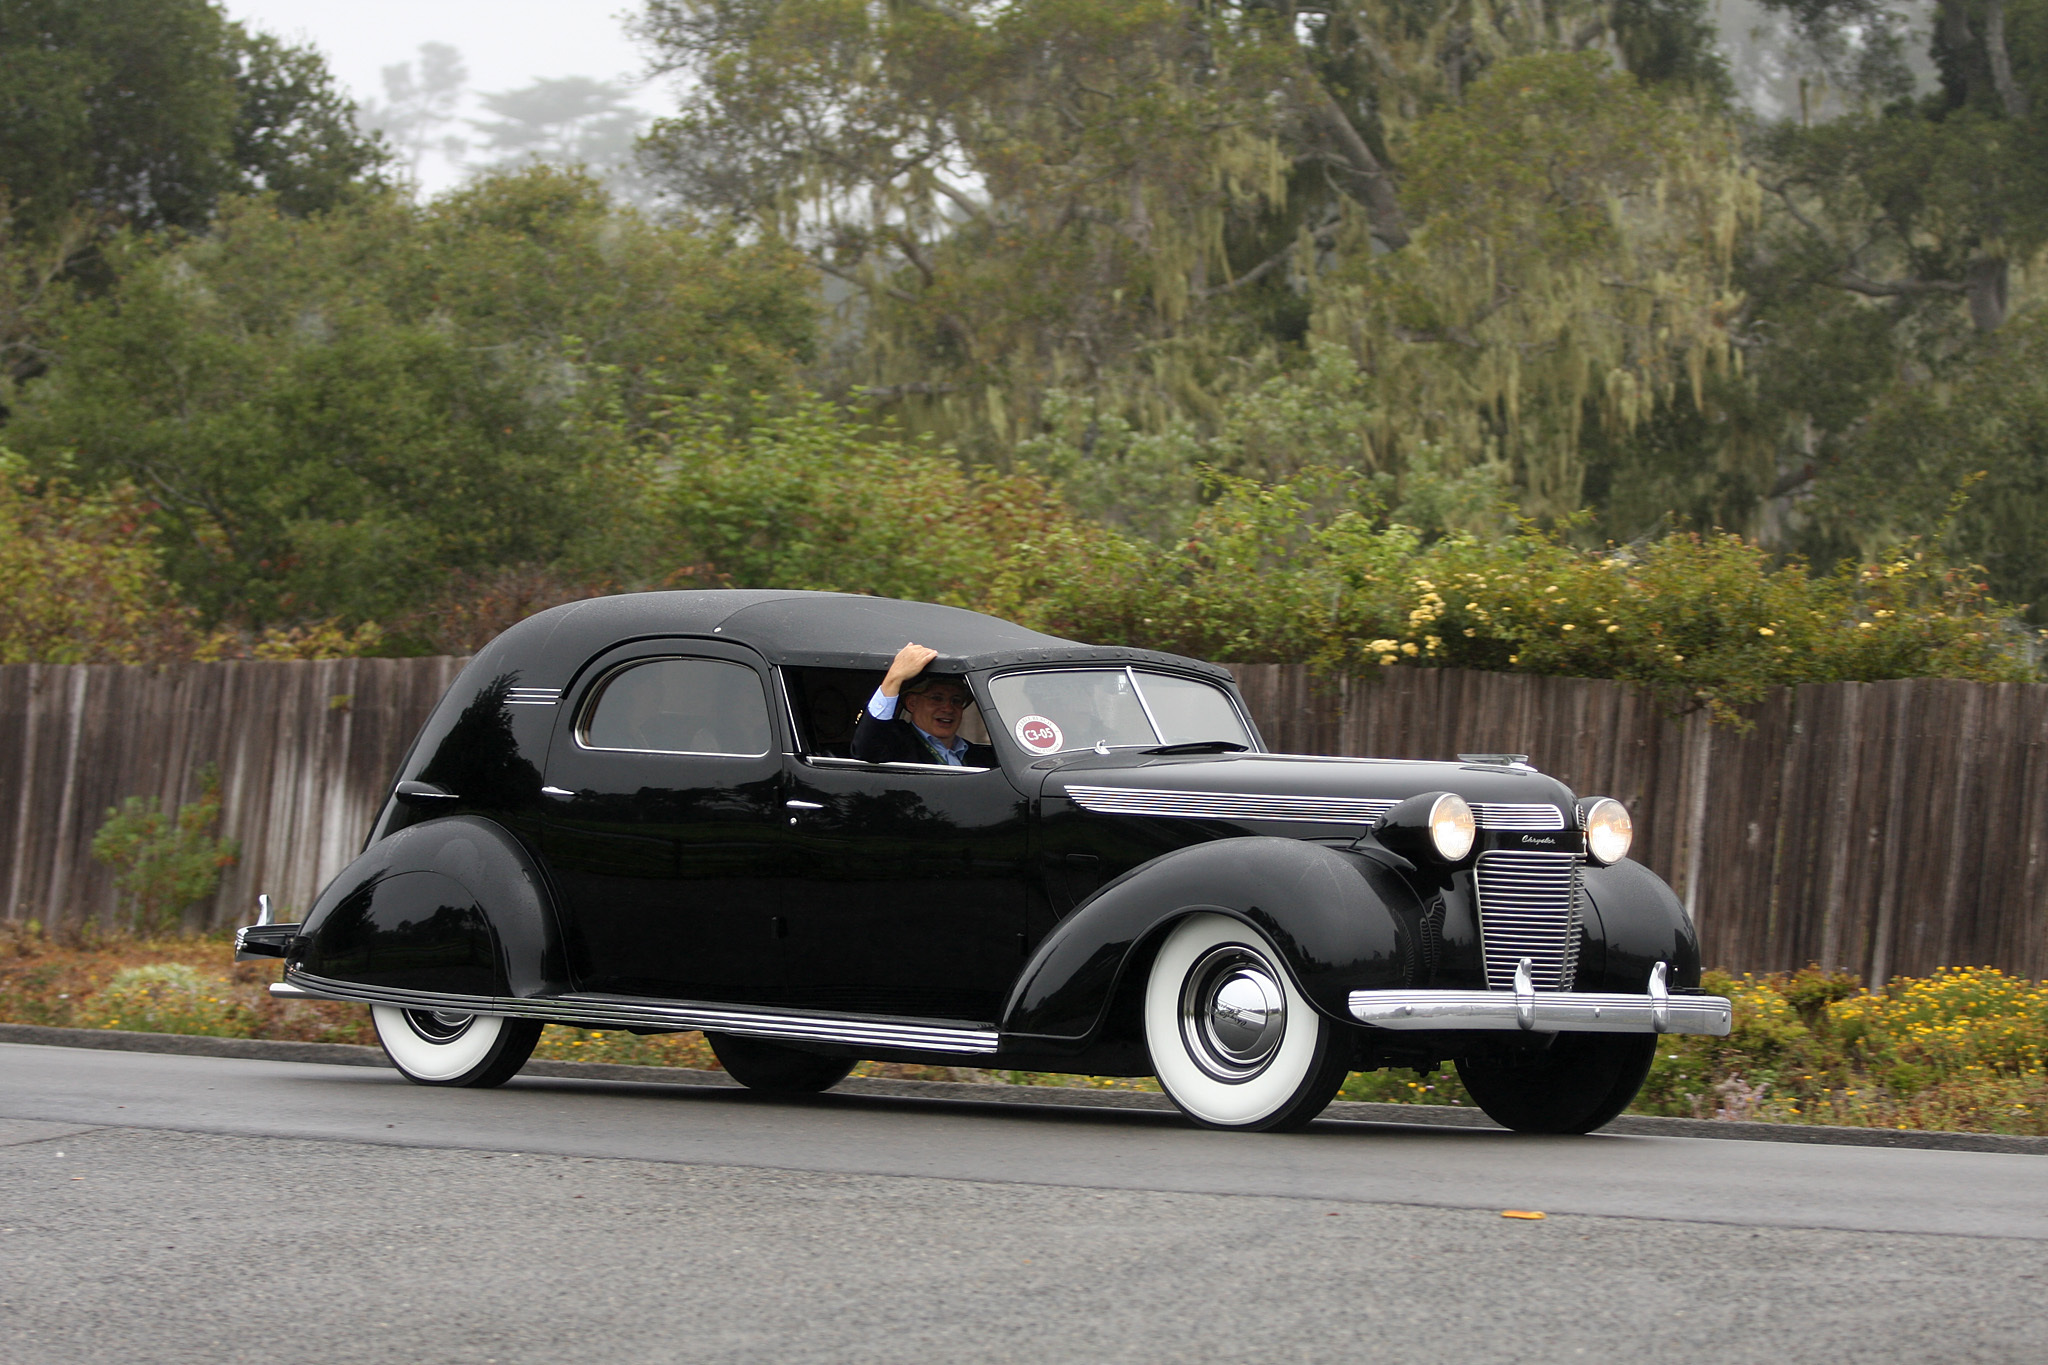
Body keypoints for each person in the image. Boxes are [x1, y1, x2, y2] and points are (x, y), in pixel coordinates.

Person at [851, 642, 996, 766]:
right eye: (936, 698)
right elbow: (867, 750)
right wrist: (895, 677)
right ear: (912, 703)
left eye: (956, 701)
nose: (948, 708)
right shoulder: (897, 742)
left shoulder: (978, 755)